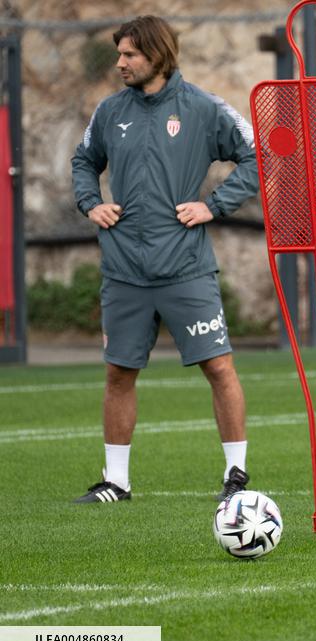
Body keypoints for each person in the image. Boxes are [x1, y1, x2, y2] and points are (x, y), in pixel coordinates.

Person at [70, 15, 259, 503]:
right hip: (124, 270)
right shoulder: (110, 112)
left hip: (185, 268)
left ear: (156, 54)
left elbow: (257, 156)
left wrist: (213, 205)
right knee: (118, 372)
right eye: (118, 54)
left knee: (219, 368)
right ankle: (116, 482)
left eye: (129, 54)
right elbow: (83, 161)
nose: (120, 63)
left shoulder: (201, 107)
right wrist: (91, 202)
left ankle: (236, 475)